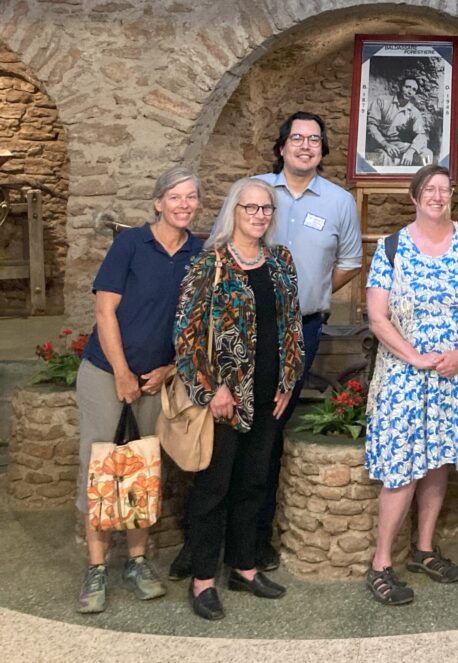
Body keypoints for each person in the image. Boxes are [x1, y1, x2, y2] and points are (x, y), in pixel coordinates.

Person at [171, 111, 363, 580]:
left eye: (314, 139)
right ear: (281, 147)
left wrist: (307, 298)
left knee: (264, 446)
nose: (305, 145)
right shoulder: (247, 200)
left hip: (292, 339)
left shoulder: (333, 207)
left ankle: (251, 548)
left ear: (322, 148)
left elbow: (348, 264)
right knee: (218, 457)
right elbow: (190, 327)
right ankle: (200, 553)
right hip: (230, 357)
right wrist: (213, 383)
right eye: (297, 137)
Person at [363, 165, 458, 605]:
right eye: (429, 189)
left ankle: (423, 549)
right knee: (401, 467)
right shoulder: (391, 247)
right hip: (406, 375)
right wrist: (416, 356)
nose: (438, 196)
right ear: (414, 196)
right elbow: (377, 316)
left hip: (456, 372)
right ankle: (381, 563)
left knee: (438, 460)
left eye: (444, 189)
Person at [74, 166, 204, 614]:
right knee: (101, 468)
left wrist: (169, 368)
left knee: (144, 469)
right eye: (176, 197)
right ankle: (96, 569)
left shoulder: (199, 253)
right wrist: (122, 372)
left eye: (191, 197)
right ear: (158, 202)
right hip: (106, 373)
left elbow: (196, 323)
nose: (184, 205)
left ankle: (137, 561)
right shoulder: (130, 244)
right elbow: (105, 311)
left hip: (156, 379)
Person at [174, 177, 305, 620]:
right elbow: (186, 336)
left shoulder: (281, 262)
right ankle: (202, 579)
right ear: (234, 211)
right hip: (224, 400)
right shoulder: (209, 264)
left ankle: (244, 567)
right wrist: (212, 389)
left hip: (269, 395)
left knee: (253, 482)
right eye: (250, 207)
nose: (259, 215)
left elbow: (292, 325)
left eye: (266, 208)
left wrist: (288, 380)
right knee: (214, 488)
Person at [366, 76, 434, 166]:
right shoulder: (382, 101)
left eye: (414, 90)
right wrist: (385, 144)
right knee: (384, 157)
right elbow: (371, 125)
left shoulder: (414, 111)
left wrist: (410, 151)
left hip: (396, 144)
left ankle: (423, 175)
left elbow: (421, 135)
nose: (410, 92)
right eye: (407, 87)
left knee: (427, 153)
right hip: (378, 142)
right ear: (400, 87)